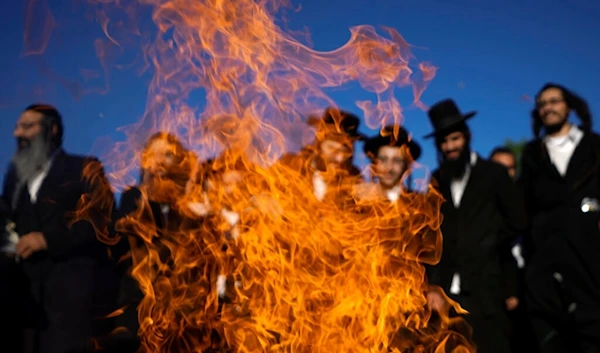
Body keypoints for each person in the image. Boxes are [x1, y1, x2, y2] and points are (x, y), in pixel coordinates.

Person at [1, 104, 116, 353]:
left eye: (27, 126)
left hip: (74, 307)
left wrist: (48, 240)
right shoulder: (13, 180)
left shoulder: (84, 168)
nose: (17, 133)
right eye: (17, 127)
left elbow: (102, 221)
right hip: (26, 311)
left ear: (52, 130)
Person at [424, 99, 526, 353]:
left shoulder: (494, 174)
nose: (450, 147)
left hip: (488, 290)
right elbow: (431, 236)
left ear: (467, 137)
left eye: (455, 139)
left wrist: (489, 242)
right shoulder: (436, 181)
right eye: (444, 142)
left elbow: (519, 220)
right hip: (448, 295)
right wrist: (432, 287)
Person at [519, 83, 600, 353]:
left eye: (553, 101)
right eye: (541, 104)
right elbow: (524, 207)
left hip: (589, 260)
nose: (548, 108)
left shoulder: (593, 146)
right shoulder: (533, 154)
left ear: (569, 106)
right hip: (545, 264)